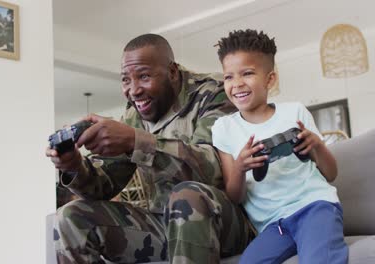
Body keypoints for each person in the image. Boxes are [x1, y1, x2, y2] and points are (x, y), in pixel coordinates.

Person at [46, 33, 252, 264]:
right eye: (126, 79)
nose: (133, 90)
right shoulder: (134, 114)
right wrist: (75, 167)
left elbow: (213, 172)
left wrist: (136, 141)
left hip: (221, 220)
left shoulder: (213, 94)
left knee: (188, 195)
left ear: (172, 72)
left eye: (144, 76)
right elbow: (104, 187)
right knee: (70, 217)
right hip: (163, 224)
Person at [211, 29, 348, 264]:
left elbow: (331, 173)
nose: (237, 84)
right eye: (228, 77)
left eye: (247, 73)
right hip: (273, 225)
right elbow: (234, 195)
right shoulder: (223, 128)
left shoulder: (294, 112)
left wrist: (316, 145)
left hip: (315, 206)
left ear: (270, 79)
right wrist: (241, 168)